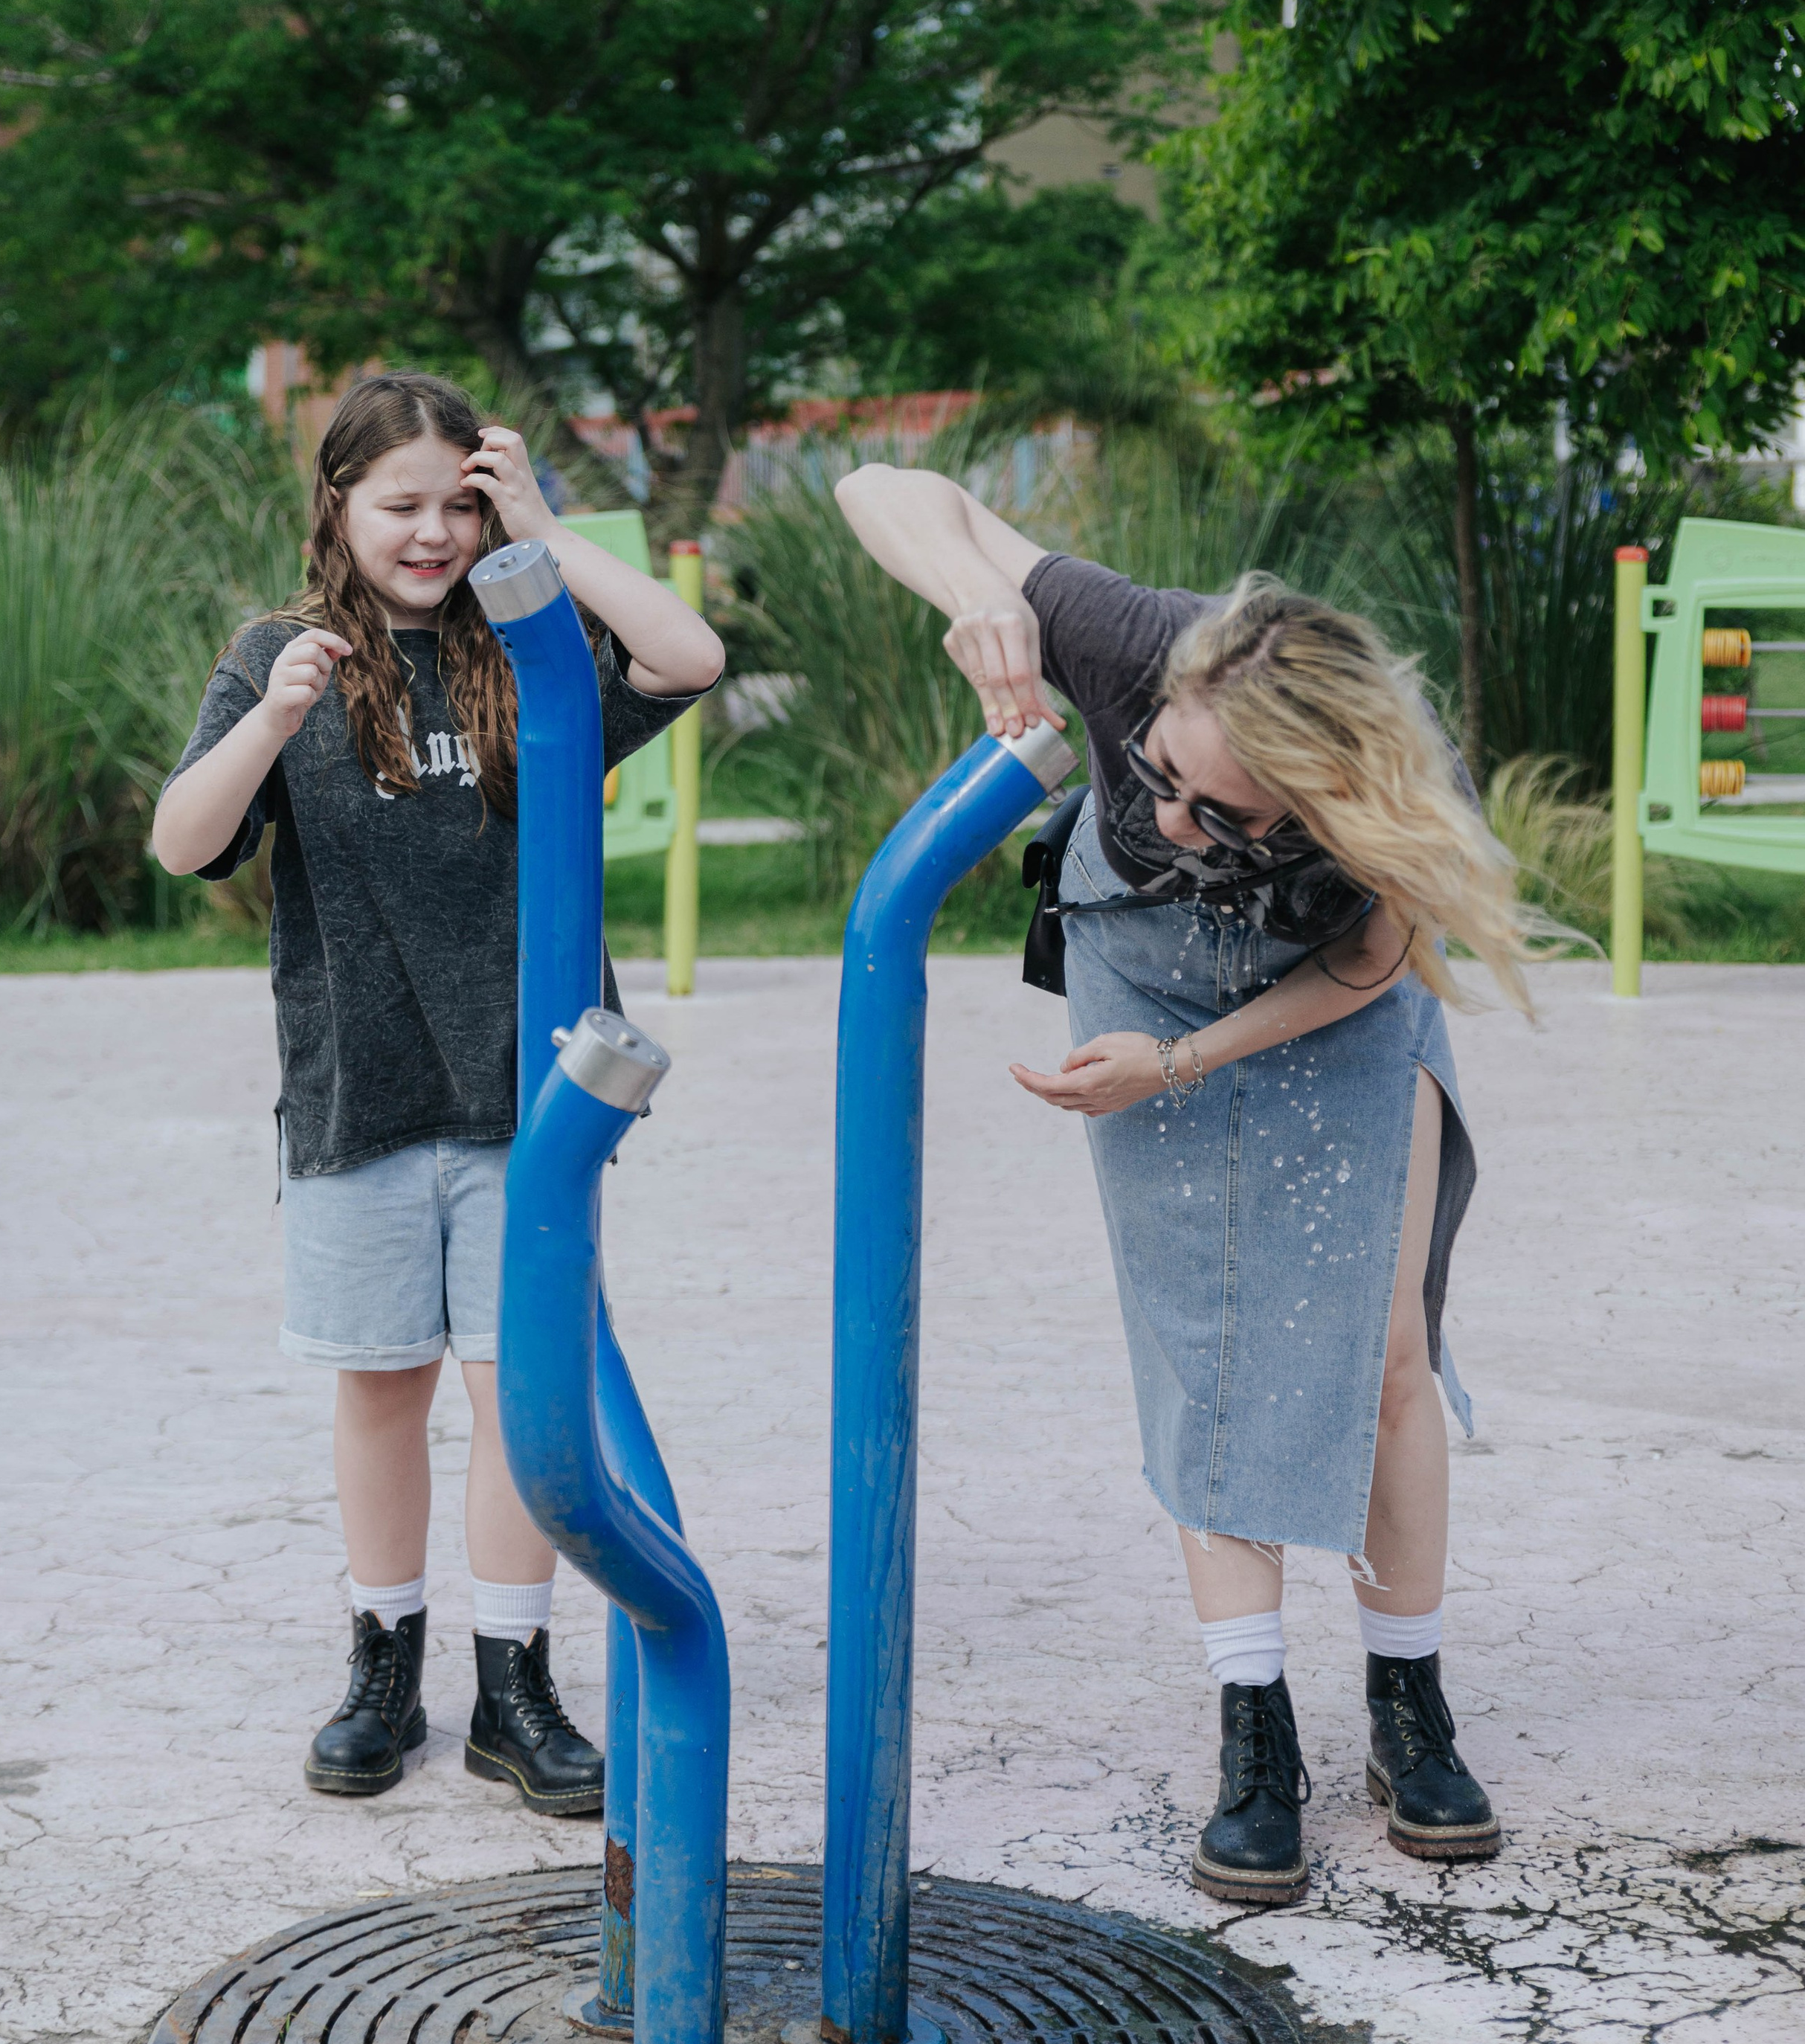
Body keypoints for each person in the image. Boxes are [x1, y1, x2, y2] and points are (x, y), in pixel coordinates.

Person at [836, 463, 1531, 1907]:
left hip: (1323, 1001)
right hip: (1133, 964)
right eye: (1159, 769)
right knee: (1204, 1346)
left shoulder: (1397, 787)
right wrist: (981, 601)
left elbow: (1366, 961)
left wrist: (1189, 1061)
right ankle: (1252, 1725)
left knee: (1382, 1345)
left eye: (1220, 811)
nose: (1171, 808)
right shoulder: (1136, 640)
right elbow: (882, 481)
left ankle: (1407, 1708)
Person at [153, 371, 723, 1814]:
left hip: (530, 1099)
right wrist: (269, 724)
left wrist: (541, 523)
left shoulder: (530, 638)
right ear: (336, 504)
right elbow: (180, 843)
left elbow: (689, 653)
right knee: (382, 1387)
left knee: (515, 1390)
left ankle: (513, 1679)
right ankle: (384, 1659)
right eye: (397, 504)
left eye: (454, 505)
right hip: (363, 1082)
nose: (428, 533)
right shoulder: (279, 651)